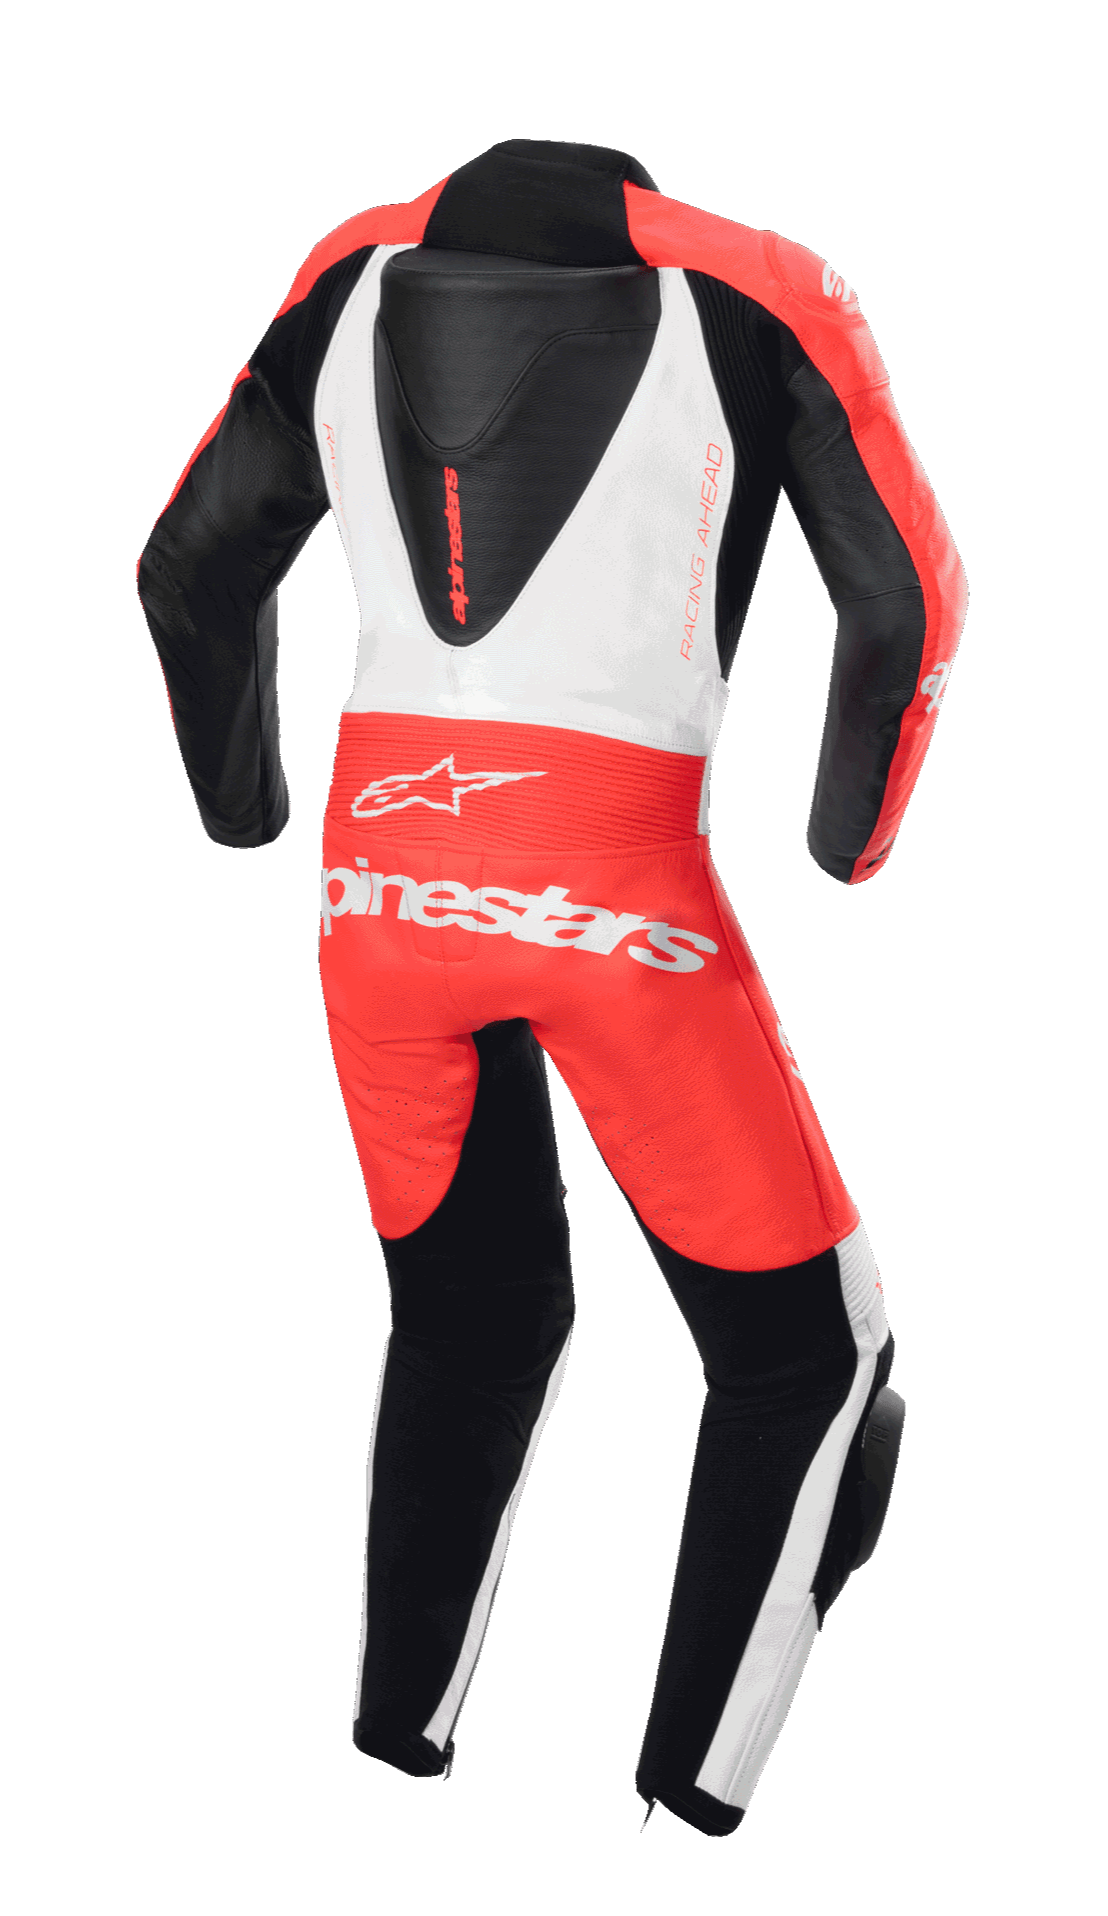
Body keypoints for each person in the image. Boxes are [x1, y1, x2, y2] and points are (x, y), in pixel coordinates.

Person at [137, 139, 966, 1837]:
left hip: (375, 890)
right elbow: (909, 602)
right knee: (813, 1360)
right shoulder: (766, 286)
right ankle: (689, 1795)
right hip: (612, 891)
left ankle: (396, 1741)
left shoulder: (347, 268)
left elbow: (185, 565)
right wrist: (850, 840)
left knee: (468, 1311)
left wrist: (244, 812)